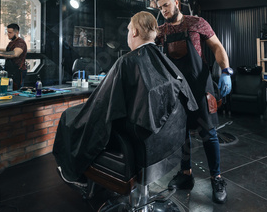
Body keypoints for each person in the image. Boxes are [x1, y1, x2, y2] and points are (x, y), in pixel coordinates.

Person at [53, 11, 197, 185]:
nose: (128, 34)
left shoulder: (127, 62)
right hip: (163, 140)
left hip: (135, 137)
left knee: (69, 116)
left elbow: (101, 105)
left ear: (134, 32)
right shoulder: (164, 60)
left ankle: (72, 172)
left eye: (129, 29)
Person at [155, 0, 232, 204]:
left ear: (176, 2)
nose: (163, 10)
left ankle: (216, 178)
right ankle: (186, 174)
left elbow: (217, 46)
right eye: (160, 7)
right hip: (177, 89)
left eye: (166, 5)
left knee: (208, 132)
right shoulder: (161, 31)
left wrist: (225, 72)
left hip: (199, 87)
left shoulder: (196, 23)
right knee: (181, 133)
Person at [0, 24, 27, 90]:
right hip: (9, 70)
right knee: (5, 88)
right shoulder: (11, 42)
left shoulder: (20, 43)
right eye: (7, 32)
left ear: (17, 32)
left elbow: (15, 54)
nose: (8, 34)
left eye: (10, 32)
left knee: (15, 89)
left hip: (17, 71)